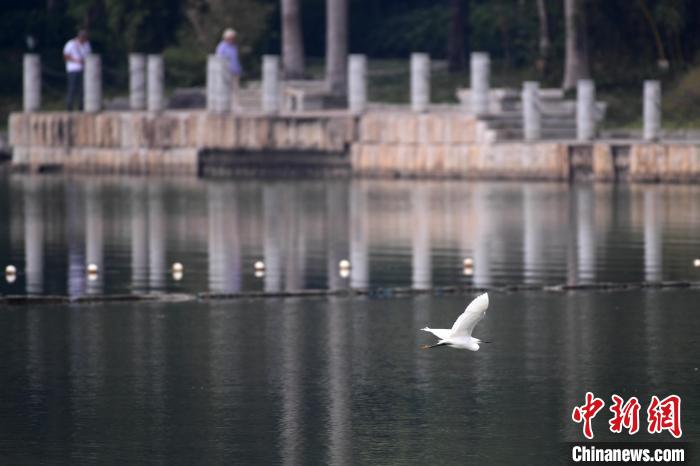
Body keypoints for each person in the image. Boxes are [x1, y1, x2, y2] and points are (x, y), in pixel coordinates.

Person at [63, 29, 91, 111]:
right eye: (82, 37)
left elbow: (89, 56)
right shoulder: (71, 44)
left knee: (82, 89)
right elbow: (66, 56)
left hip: (83, 69)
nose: (84, 39)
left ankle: (81, 106)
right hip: (73, 69)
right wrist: (76, 61)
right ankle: (69, 106)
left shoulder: (87, 45)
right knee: (72, 88)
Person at [215, 28, 242, 112]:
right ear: (226, 38)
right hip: (226, 72)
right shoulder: (221, 47)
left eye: (233, 37)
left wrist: (239, 69)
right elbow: (219, 60)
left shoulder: (234, 47)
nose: (232, 39)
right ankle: (225, 105)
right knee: (226, 90)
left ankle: (235, 106)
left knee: (235, 90)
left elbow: (235, 59)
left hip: (235, 72)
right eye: (230, 37)